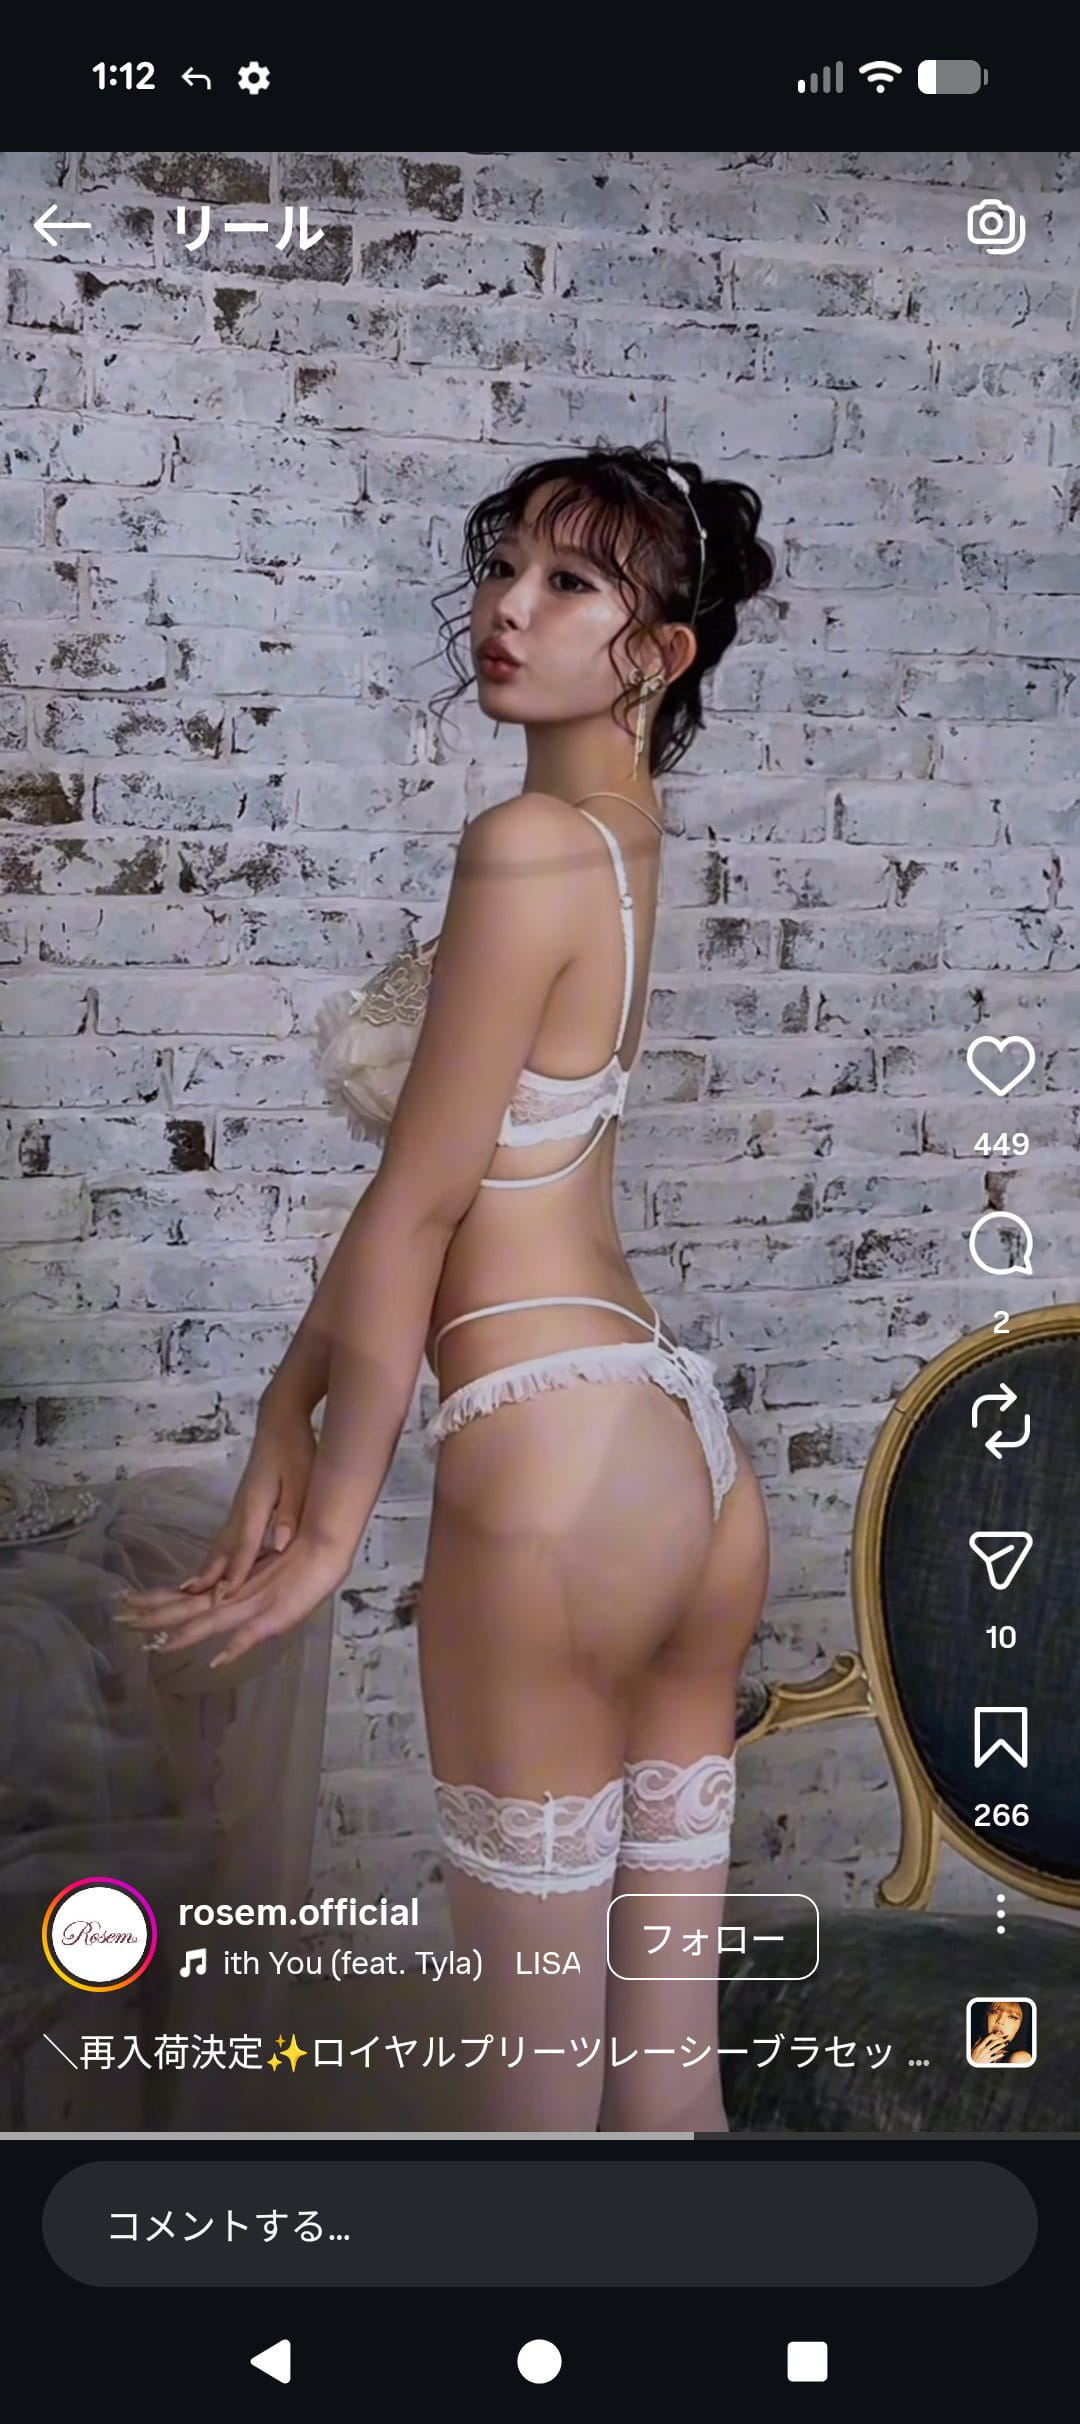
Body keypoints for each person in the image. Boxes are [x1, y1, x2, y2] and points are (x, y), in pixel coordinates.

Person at [117, 439, 775, 2131]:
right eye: (502, 566)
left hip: (549, 1471)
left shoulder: (526, 843)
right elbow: (437, 1171)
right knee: (668, 2098)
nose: (506, 606)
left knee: (530, 2111)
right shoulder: (623, 834)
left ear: (659, 650)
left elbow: (420, 1209)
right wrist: (289, 1406)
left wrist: (333, 1528)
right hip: (684, 1465)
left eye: (569, 582)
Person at [970, 2000, 1034, 2064]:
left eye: (1012, 2017)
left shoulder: (1020, 2058)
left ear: (1022, 2025)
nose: (1000, 2021)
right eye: (994, 2012)